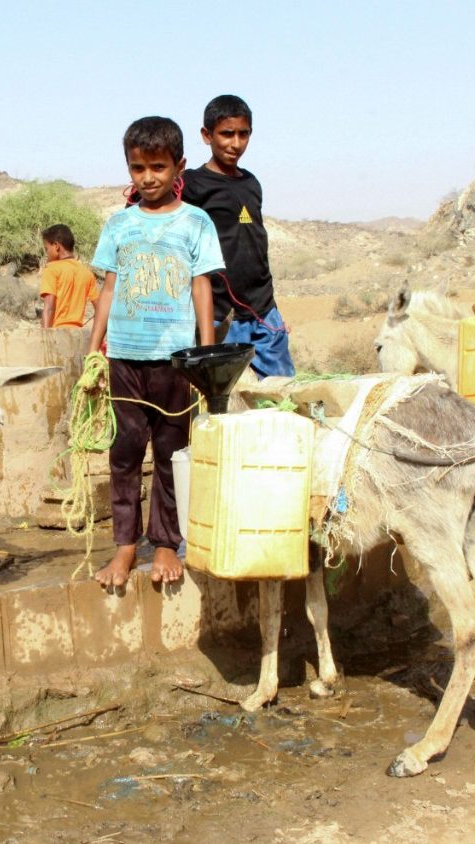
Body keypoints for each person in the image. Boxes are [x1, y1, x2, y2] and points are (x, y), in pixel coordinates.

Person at [86, 116, 221, 588]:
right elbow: (107, 287)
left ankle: (166, 542)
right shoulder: (119, 225)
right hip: (125, 356)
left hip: (175, 361)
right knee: (124, 453)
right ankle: (125, 547)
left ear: (179, 166)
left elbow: (201, 286)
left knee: (170, 450)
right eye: (138, 167)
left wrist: (205, 355)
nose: (148, 177)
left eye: (158, 167)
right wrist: (93, 350)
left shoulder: (195, 222)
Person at [182, 95, 294, 377]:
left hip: (264, 312)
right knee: (226, 406)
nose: (235, 143)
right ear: (207, 135)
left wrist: (270, 307)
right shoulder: (192, 185)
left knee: (283, 399)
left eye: (243, 134)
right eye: (227, 134)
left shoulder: (251, 182)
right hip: (220, 316)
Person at [38, 224, 99, 328]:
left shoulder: (52, 269)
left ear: (56, 246)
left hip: (57, 334)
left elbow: (49, 308)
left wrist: (45, 339)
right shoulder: (87, 273)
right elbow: (100, 309)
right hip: (77, 335)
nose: (47, 253)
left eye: (47, 249)